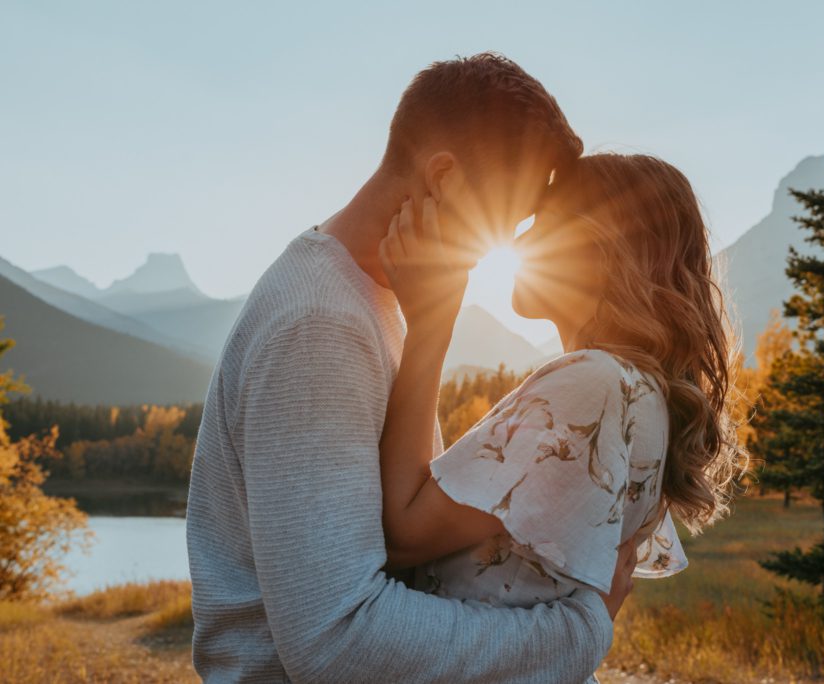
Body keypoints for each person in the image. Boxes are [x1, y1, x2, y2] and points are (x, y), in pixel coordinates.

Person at [185, 53, 639, 683]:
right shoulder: (321, 324)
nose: (511, 240)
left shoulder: (377, 302)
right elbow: (337, 641)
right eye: (512, 214)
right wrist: (579, 631)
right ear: (445, 178)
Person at [376, 152, 751, 683]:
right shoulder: (639, 393)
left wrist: (431, 322)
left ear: (603, 247)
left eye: (544, 224)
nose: (521, 243)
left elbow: (404, 534)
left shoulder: (592, 384)